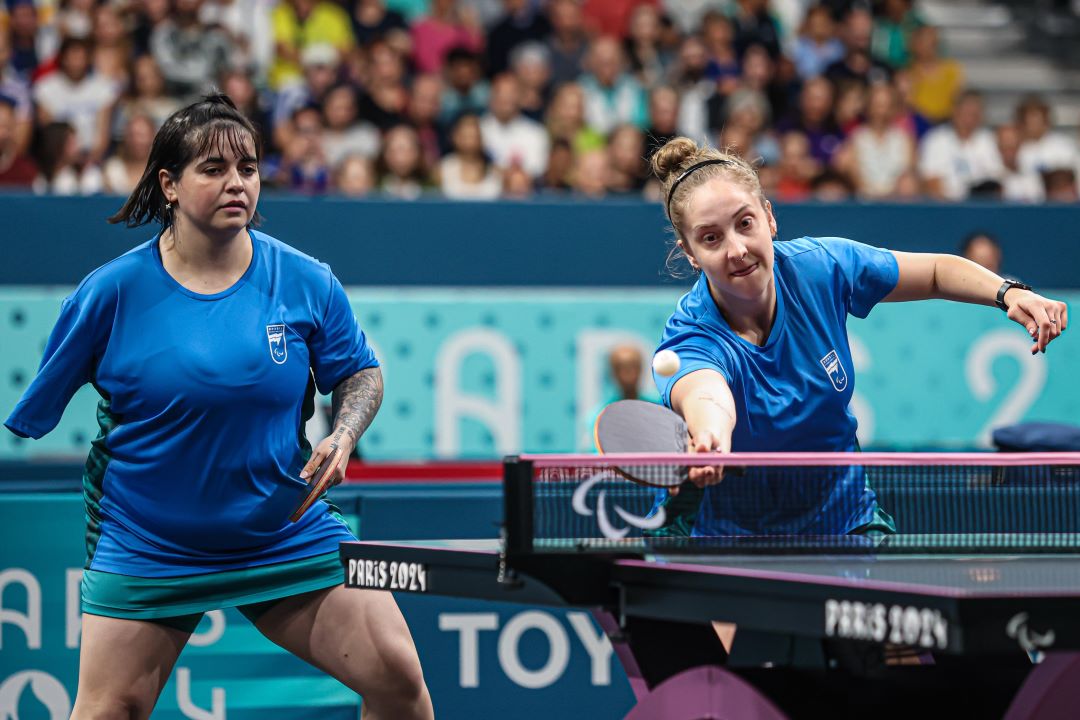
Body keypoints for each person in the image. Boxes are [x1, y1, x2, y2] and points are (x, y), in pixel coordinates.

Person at [4, 93, 432, 720]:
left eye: (249, 168)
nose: (237, 183)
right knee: (105, 710)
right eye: (213, 169)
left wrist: (343, 433)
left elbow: (361, 372)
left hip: (280, 528)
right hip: (150, 538)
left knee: (399, 683)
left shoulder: (307, 280)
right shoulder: (110, 293)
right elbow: (34, 408)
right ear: (168, 184)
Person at [648, 137, 1067, 538]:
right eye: (711, 238)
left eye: (745, 223)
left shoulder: (822, 268)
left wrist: (1008, 292)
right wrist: (710, 438)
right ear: (690, 252)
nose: (736, 249)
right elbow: (707, 396)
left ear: (769, 218)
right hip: (727, 529)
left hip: (840, 514)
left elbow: (936, 272)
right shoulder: (691, 334)